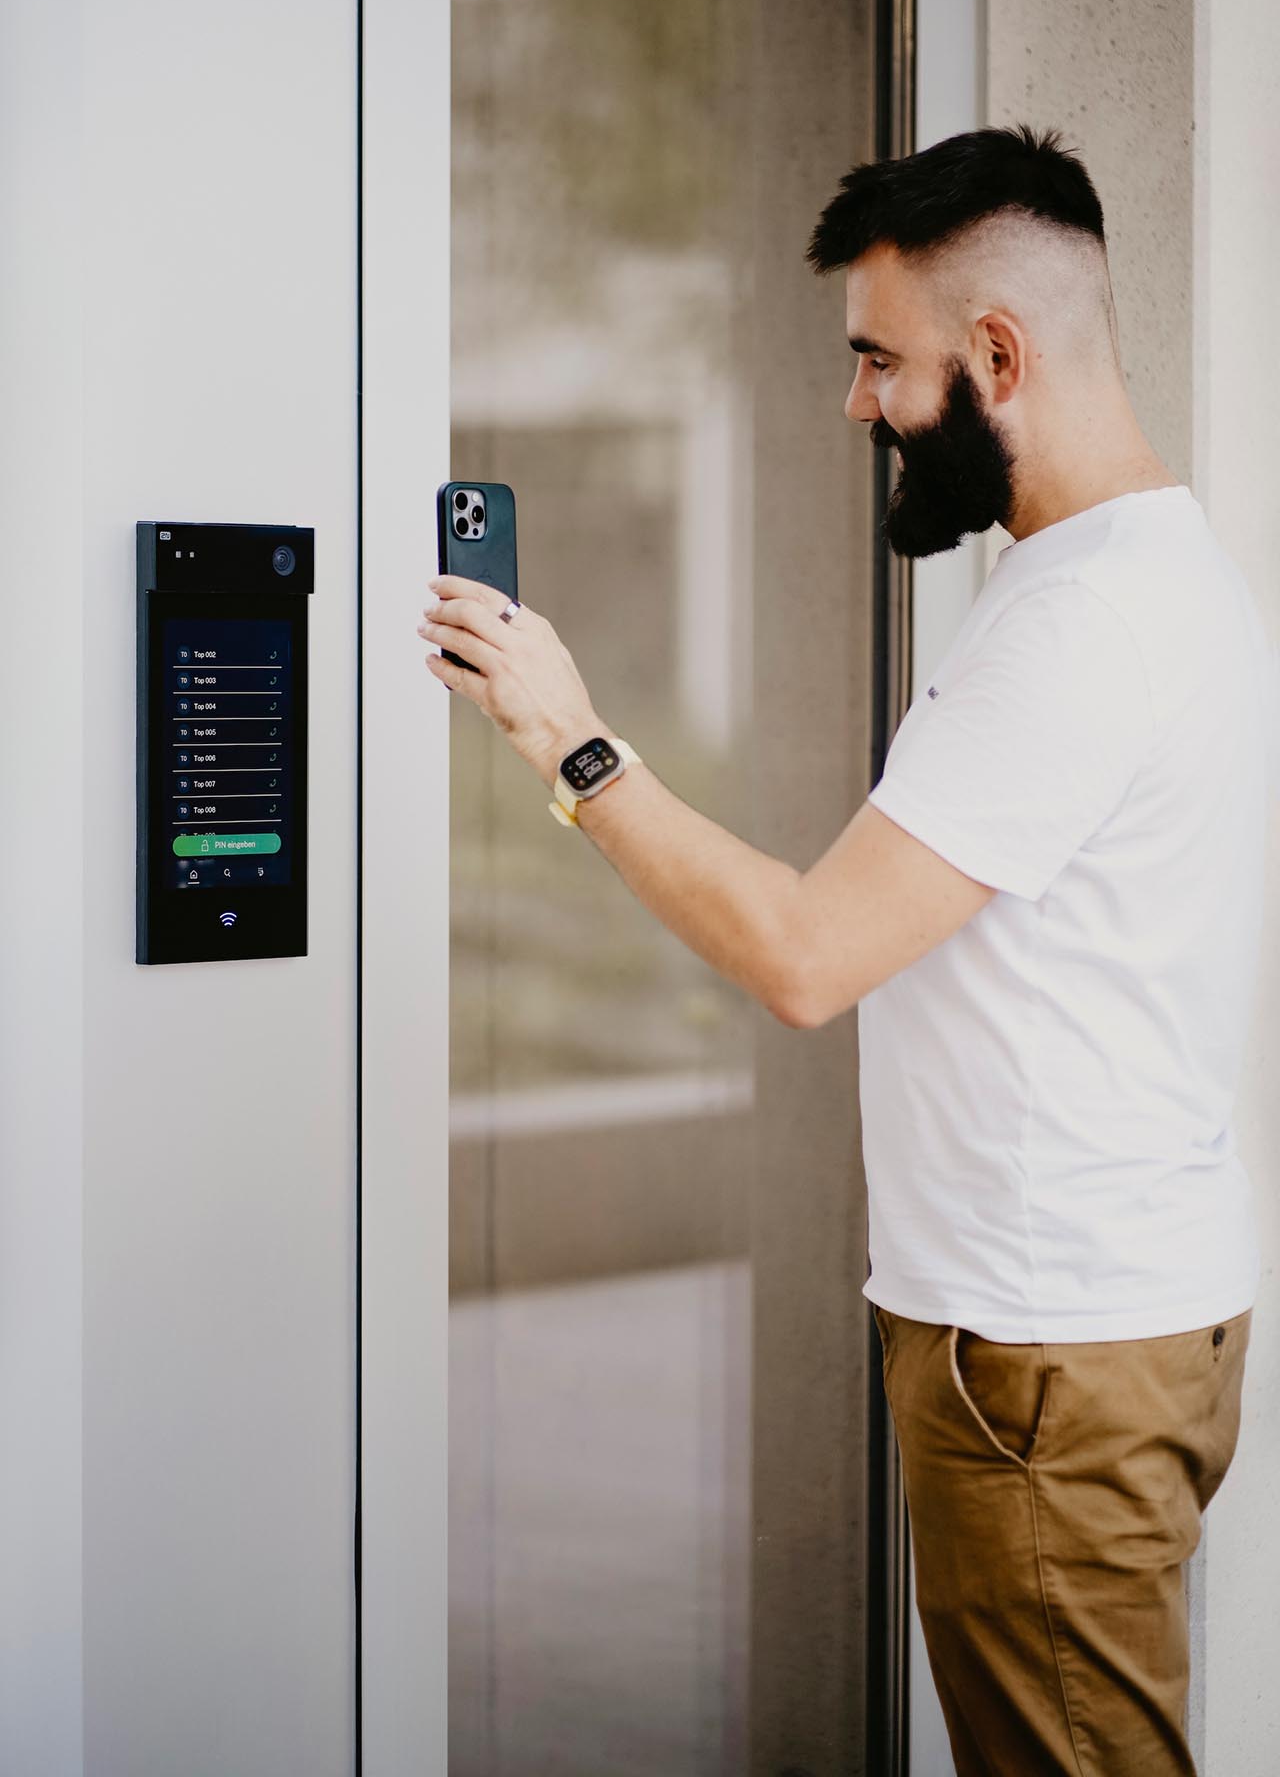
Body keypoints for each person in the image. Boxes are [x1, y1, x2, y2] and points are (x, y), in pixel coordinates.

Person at [416, 123, 1276, 1775]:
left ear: (998, 355)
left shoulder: (1087, 624)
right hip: (1106, 1326)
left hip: (1043, 1360)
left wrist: (573, 743)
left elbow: (809, 955)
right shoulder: (1149, 576)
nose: (856, 399)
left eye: (879, 358)